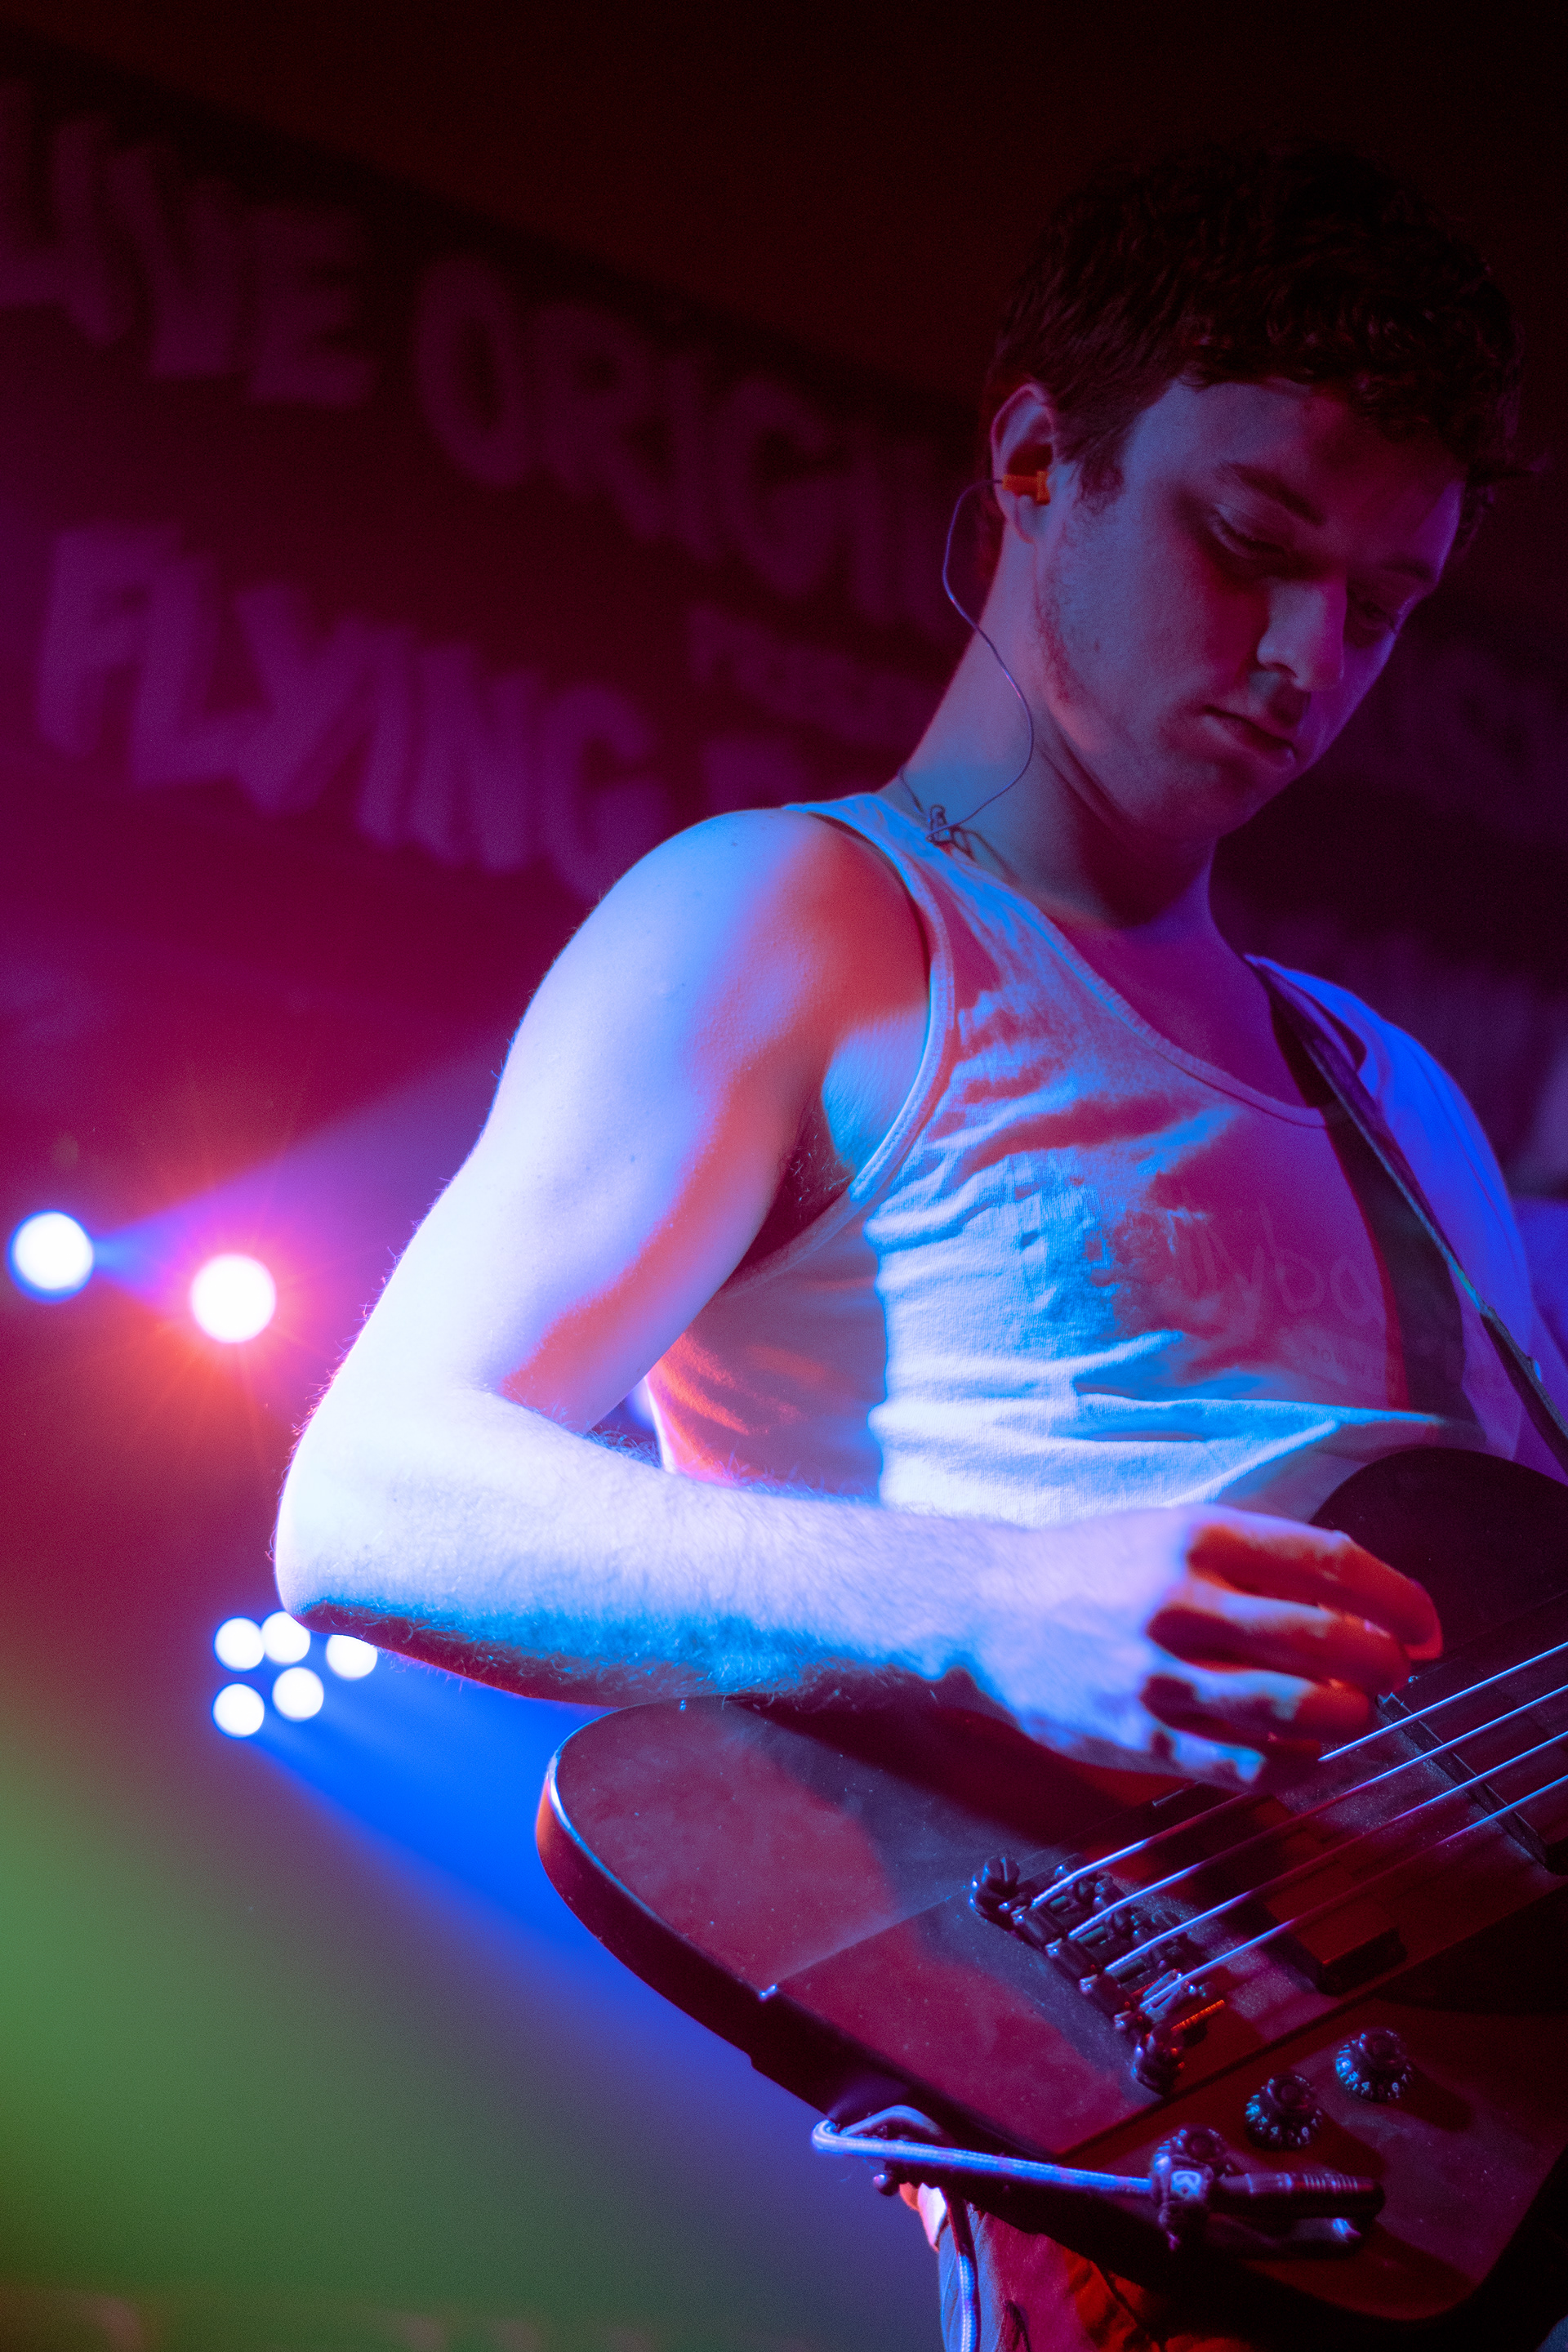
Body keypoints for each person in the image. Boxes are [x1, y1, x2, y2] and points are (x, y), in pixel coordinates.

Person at [274, 142, 1568, 2350]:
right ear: (1038, 458)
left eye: (1383, 603)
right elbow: (370, 1499)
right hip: (1181, 2208)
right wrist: (994, 1602)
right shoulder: (796, 918)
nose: (1306, 659)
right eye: (1250, 544)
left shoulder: (1396, 1091)